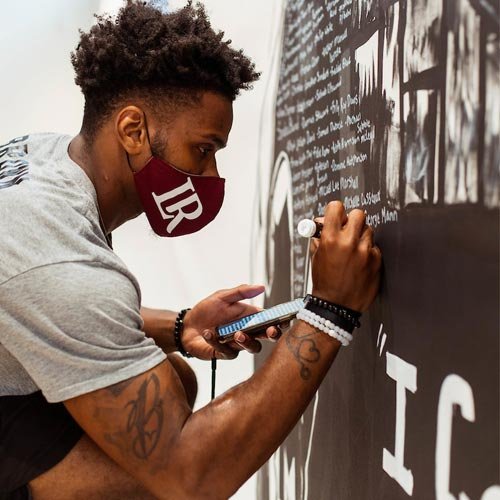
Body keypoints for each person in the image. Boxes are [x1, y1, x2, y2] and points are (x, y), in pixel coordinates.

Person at [0, 2, 382, 499]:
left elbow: (46, 304)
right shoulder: (59, 257)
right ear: (132, 130)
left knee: (174, 378)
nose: (211, 177)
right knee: (146, 474)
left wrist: (181, 326)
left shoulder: (43, 157)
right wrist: (330, 312)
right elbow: (193, 477)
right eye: (203, 149)